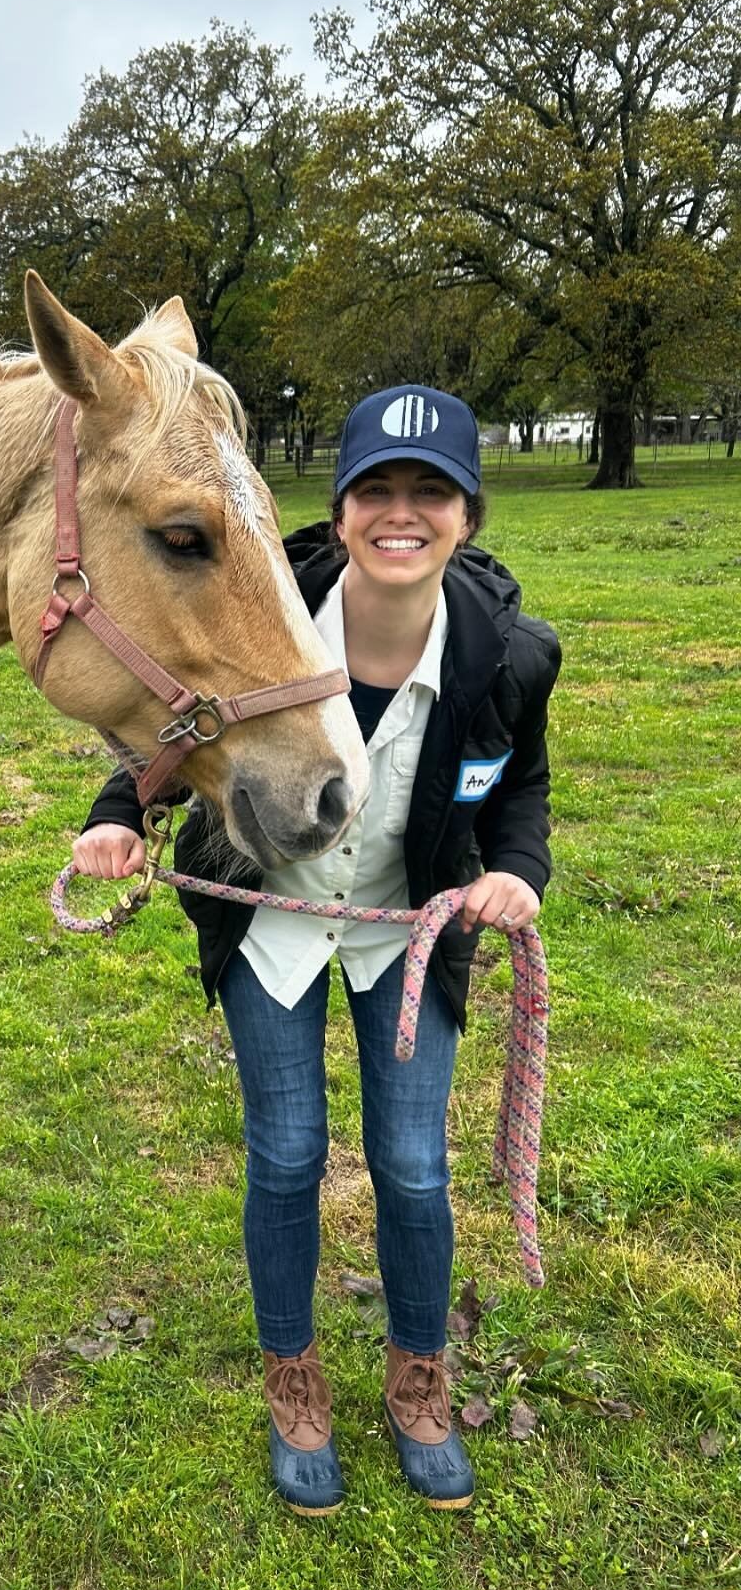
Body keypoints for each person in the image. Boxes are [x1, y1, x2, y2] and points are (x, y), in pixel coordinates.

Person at [73, 385, 561, 1517]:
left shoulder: (511, 658)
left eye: (429, 492)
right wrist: (116, 811)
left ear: (468, 516)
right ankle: (294, 1379)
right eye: (374, 492)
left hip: (405, 933)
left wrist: (516, 874)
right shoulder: (268, 612)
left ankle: (418, 1379)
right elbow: (177, 715)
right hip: (275, 924)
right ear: (338, 514)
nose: (402, 514)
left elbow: (520, 785)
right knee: (286, 1156)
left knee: (414, 1168)